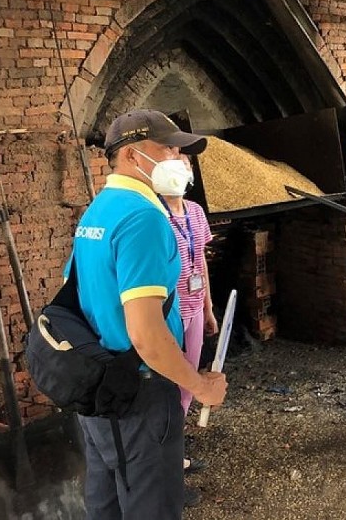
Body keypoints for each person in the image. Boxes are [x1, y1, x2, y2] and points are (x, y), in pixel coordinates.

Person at [71, 110, 228, 519]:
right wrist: (198, 383)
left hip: (100, 386)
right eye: (169, 149)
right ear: (132, 156)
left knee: (107, 503)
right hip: (139, 394)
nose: (178, 159)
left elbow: (81, 296)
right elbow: (144, 331)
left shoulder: (100, 210)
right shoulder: (145, 218)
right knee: (151, 506)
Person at [157, 155, 218, 474]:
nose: (180, 167)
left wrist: (208, 307)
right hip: (168, 312)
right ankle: (164, 459)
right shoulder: (154, 216)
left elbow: (202, 262)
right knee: (166, 381)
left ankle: (172, 454)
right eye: (173, 161)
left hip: (194, 307)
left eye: (184, 162)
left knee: (187, 382)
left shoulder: (195, 212)